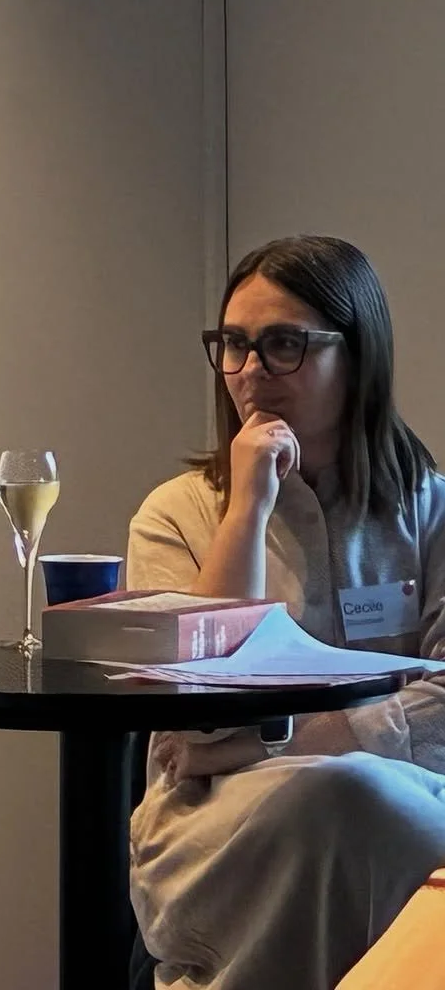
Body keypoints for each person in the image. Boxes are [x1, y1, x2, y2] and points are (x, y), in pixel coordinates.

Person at [126, 235, 445, 990]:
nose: (250, 373)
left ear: (357, 356)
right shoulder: (175, 515)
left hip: (413, 798)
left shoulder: (430, 510)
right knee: (340, 797)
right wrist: (249, 505)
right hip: (218, 826)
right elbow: (194, 722)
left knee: (357, 797)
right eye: (233, 345)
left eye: (284, 345)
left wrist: (304, 734)